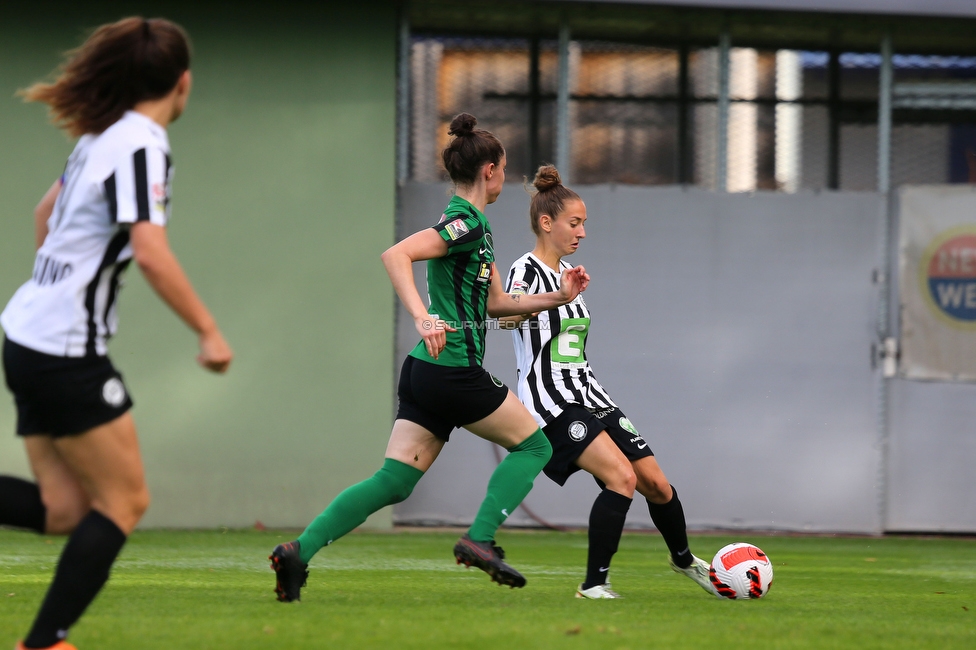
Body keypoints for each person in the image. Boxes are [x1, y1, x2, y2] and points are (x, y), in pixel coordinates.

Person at [269, 113, 588, 601]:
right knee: (536, 447)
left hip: (425, 372)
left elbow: (498, 304)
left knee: (394, 481)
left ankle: (297, 552)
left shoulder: (474, 227)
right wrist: (423, 316)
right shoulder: (464, 221)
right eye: (502, 169)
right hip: (452, 369)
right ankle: (480, 539)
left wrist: (558, 299)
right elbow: (395, 254)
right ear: (489, 171)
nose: (504, 177)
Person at [0, 18, 233, 650]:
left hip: (27, 335)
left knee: (64, 511)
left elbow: (44, 213)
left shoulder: (99, 137)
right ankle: (45, 641)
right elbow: (150, 252)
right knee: (124, 500)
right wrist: (209, 333)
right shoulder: (142, 143)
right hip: (63, 351)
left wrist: (57, 289)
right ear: (181, 84)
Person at [501, 165, 716, 600]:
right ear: (547, 223)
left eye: (584, 224)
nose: (581, 233)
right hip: (551, 403)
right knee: (621, 478)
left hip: (590, 395)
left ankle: (683, 560)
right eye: (574, 223)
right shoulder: (525, 269)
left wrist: (569, 293)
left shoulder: (568, 274)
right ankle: (593, 585)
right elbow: (505, 317)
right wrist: (556, 298)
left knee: (656, 483)